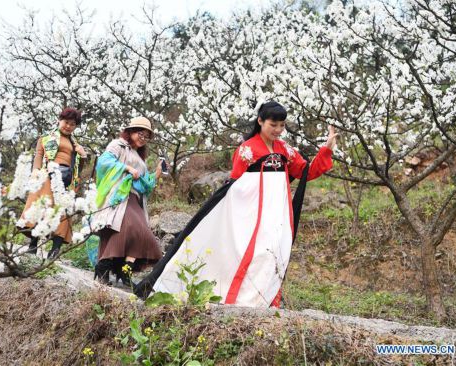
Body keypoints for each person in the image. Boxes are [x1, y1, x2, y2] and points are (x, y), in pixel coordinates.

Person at [134, 101, 338, 307]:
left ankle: (264, 299)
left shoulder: (285, 149)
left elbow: (306, 172)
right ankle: (240, 296)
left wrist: (326, 149)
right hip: (249, 214)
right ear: (260, 121)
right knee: (249, 252)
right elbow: (236, 184)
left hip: (276, 214)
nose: (278, 130)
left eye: (282, 125)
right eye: (273, 125)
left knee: (272, 252)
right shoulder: (246, 150)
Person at [91, 116, 163, 286]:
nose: (142, 138)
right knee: (126, 230)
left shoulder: (140, 157)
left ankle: (124, 271)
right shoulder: (118, 145)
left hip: (134, 199)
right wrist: (126, 167)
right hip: (118, 197)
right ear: (130, 131)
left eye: (146, 137)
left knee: (142, 235)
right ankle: (105, 268)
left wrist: (157, 174)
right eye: (140, 133)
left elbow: (144, 184)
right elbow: (104, 162)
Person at [19, 107, 87, 259]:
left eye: (72, 124)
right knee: (40, 208)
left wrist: (83, 155)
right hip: (46, 176)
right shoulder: (45, 139)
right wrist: (36, 174)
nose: (68, 126)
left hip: (66, 181)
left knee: (62, 212)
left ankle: (55, 249)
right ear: (59, 120)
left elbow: (78, 168)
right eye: (66, 122)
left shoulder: (75, 144)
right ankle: (33, 244)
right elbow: (38, 156)